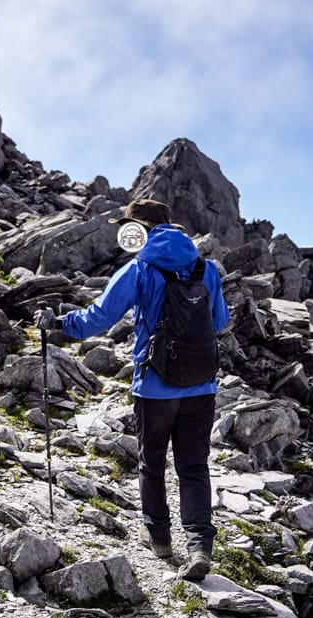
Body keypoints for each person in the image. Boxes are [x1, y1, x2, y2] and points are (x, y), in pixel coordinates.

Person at [34, 198, 230, 581]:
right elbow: (219, 320)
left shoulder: (139, 268)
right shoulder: (207, 269)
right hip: (201, 387)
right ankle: (199, 547)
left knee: (152, 464)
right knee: (193, 467)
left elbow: (99, 318)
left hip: (155, 389)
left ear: (140, 227)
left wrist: (57, 322)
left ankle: (159, 539)